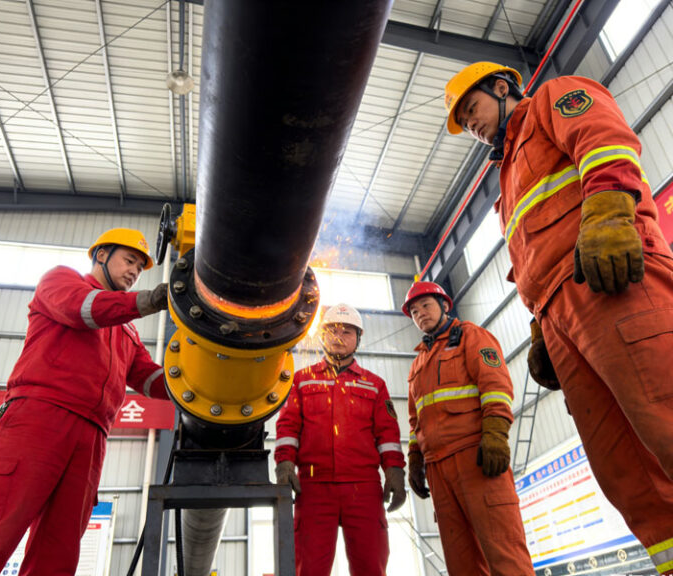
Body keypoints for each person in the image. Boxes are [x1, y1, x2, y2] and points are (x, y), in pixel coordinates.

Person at [445, 62, 673, 574]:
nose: (472, 126)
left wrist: (612, 211)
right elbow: (528, 258)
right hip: (559, 318)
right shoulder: (505, 185)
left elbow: (604, 137)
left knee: (666, 418)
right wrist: (538, 328)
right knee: (624, 467)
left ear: (501, 88)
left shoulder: (553, 99)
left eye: (472, 109)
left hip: (609, 272)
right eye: (463, 121)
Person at [0, 228, 171, 576]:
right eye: (129, 260)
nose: (135, 271)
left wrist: (203, 382)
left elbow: (149, 379)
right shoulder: (61, 281)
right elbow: (82, 310)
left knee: (59, 553)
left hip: (92, 436)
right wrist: (148, 300)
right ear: (102, 255)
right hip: (38, 416)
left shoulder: (127, 329)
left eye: (140, 267)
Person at [403, 281, 534, 575]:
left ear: (445, 305)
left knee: (504, 551)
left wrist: (496, 435)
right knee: (461, 562)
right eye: (414, 311)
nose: (420, 313)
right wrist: (415, 458)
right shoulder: (416, 365)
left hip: (475, 456)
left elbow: (496, 386)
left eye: (425, 305)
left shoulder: (471, 337)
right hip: (437, 469)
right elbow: (415, 420)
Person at [274, 303, 406, 576]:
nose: (339, 337)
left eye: (347, 332)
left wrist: (394, 471)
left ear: (359, 339)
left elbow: (388, 435)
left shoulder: (374, 384)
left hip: (364, 489)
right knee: (308, 568)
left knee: (371, 565)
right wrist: (284, 463)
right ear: (321, 336)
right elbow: (288, 427)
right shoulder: (301, 381)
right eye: (332, 331)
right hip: (312, 487)